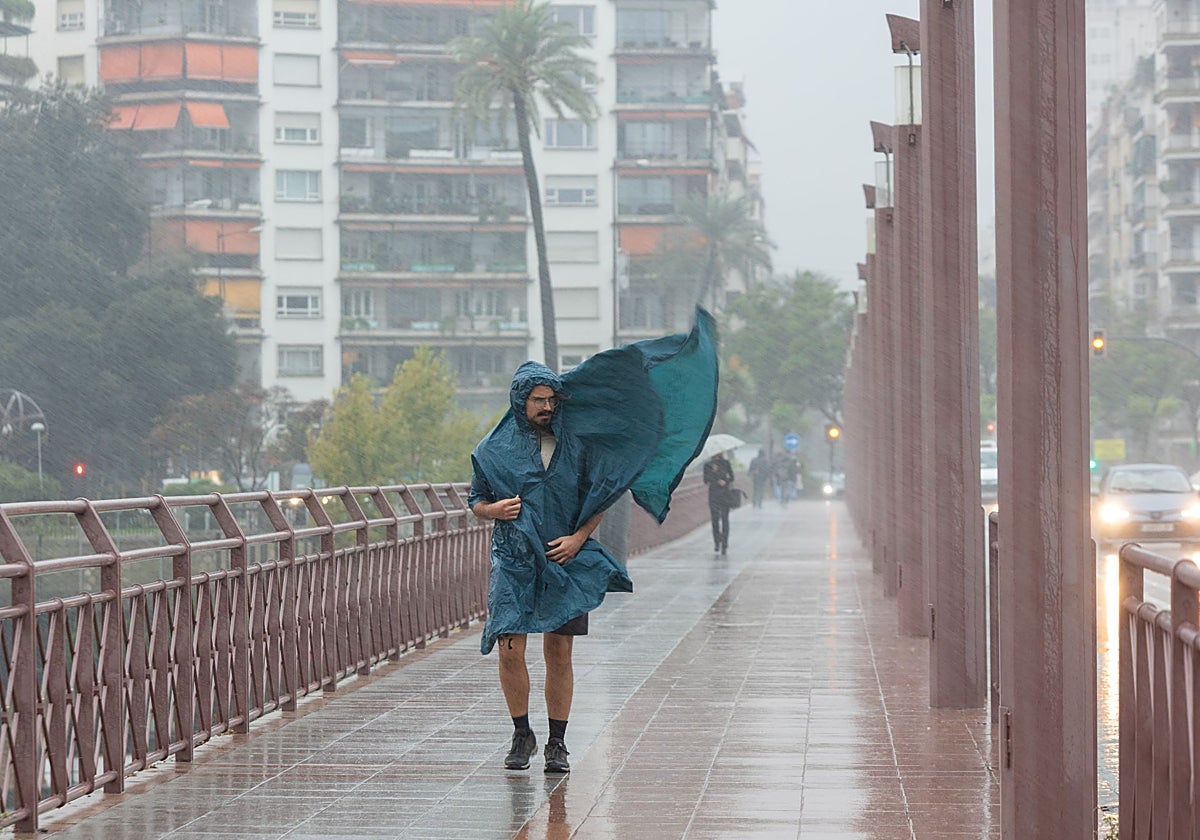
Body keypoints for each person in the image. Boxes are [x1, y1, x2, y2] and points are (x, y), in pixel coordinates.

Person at [470, 312, 718, 776]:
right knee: (510, 648)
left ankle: (557, 743)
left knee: (560, 651)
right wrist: (493, 510)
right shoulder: (491, 450)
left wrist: (580, 537)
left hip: (565, 557)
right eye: (538, 400)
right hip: (514, 559)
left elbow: (601, 493)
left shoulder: (577, 445)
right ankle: (521, 733)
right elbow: (475, 499)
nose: (547, 407)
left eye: (551, 399)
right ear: (520, 401)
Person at [703, 450, 735, 553]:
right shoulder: (708, 465)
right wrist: (715, 477)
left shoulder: (726, 463)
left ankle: (725, 543)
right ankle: (717, 542)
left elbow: (732, 477)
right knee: (715, 519)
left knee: (725, 519)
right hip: (713, 495)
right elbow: (706, 480)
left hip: (725, 494)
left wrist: (725, 480)